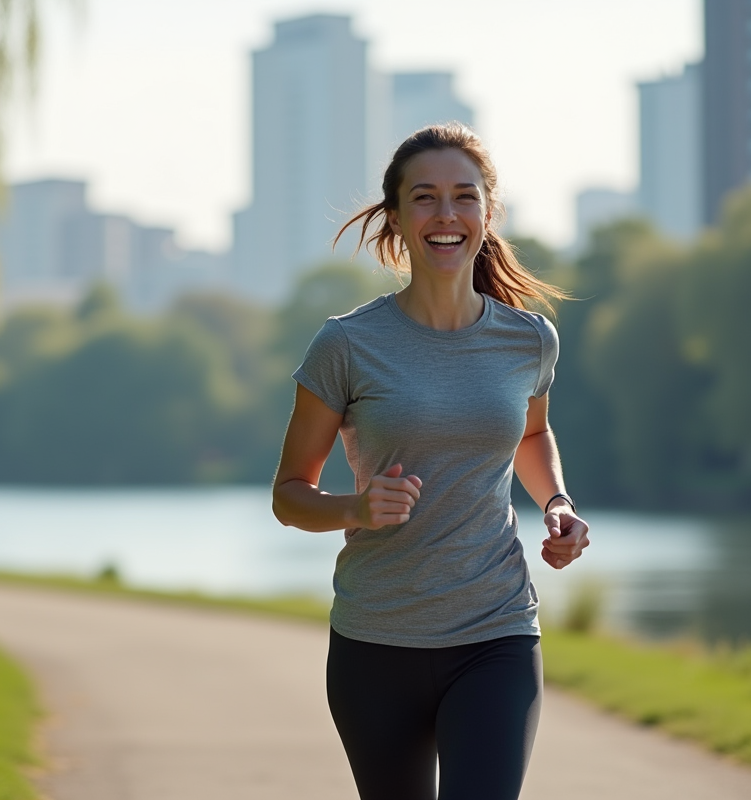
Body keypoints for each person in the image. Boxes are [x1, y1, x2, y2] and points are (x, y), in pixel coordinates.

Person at [270, 123, 590, 800]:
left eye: (463, 197)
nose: (446, 215)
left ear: (487, 212)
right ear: (396, 218)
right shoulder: (347, 346)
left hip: (496, 631)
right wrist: (356, 509)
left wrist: (557, 503)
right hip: (376, 642)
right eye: (425, 198)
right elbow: (289, 494)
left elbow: (532, 437)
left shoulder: (529, 341)